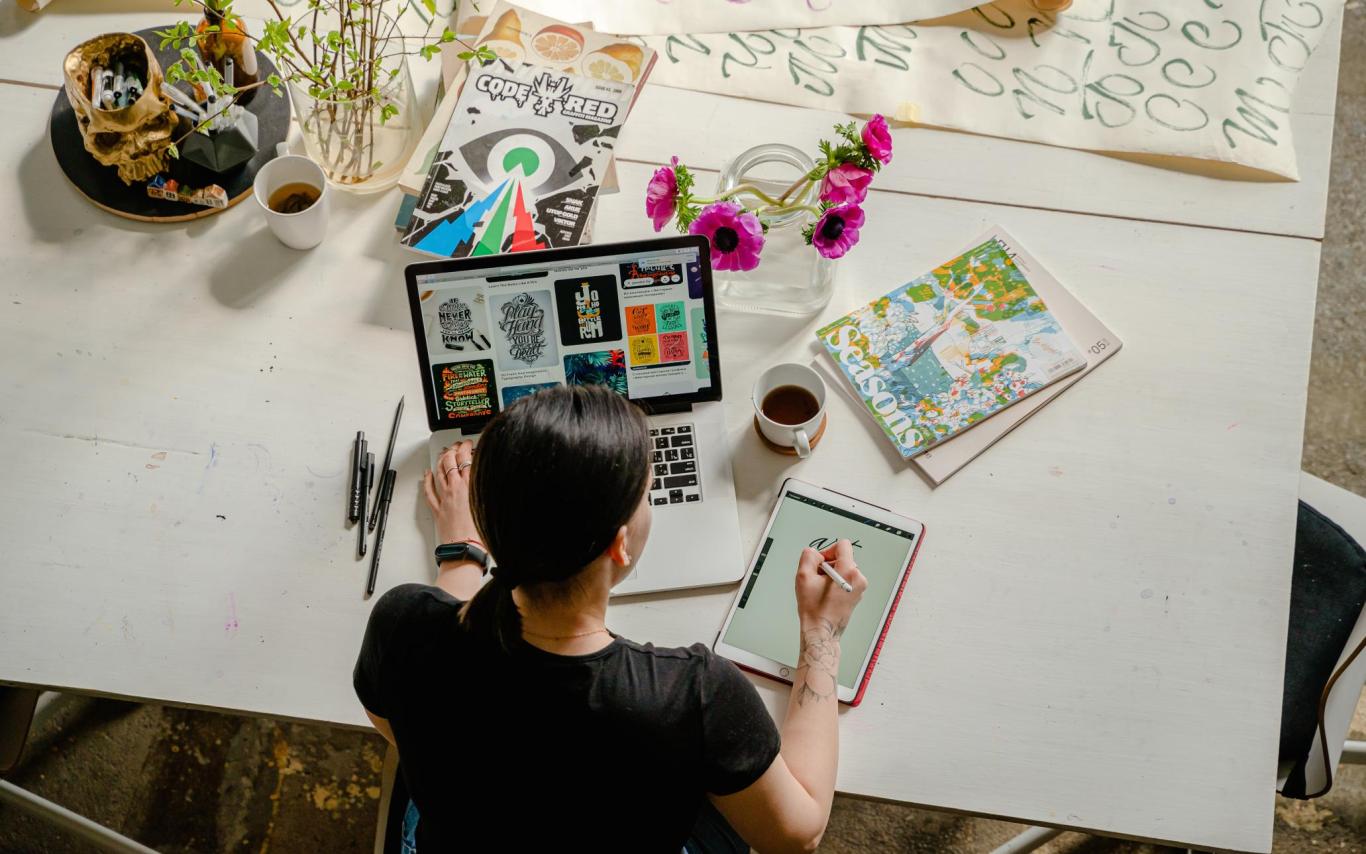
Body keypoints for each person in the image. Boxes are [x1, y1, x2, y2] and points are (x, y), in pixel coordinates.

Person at [354, 385, 867, 853]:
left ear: (489, 520)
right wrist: (822, 635)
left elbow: (397, 724)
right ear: (620, 545)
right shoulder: (691, 695)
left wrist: (460, 554)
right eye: (646, 495)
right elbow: (797, 835)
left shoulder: (403, 624)